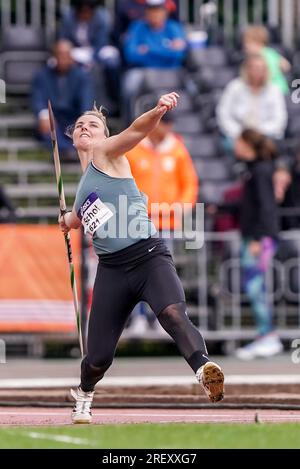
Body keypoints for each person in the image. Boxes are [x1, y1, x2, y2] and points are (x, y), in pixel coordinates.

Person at [58, 92, 225, 424]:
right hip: (113, 271)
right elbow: (77, 217)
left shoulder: (107, 153)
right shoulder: (82, 187)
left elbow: (136, 130)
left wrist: (158, 111)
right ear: (72, 137)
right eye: (79, 125)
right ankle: (85, 393)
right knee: (98, 358)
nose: (85, 127)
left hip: (148, 256)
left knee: (173, 313)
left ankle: (204, 368)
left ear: (105, 135)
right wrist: (66, 220)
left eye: (93, 123)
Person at [126, 109, 198, 333]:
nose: (166, 128)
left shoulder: (176, 150)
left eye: (168, 123)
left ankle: (160, 318)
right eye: (162, 123)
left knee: (162, 274)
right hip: (138, 220)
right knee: (137, 271)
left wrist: (180, 208)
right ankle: (138, 317)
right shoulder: (135, 148)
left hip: (167, 223)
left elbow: (189, 183)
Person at [234, 129, 283, 360]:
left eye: (238, 142)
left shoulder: (261, 170)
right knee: (255, 286)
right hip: (255, 235)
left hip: (260, 238)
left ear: (247, 144)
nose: (235, 146)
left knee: (256, 287)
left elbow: (266, 207)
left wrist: (257, 238)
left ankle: (268, 336)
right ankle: (265, 334)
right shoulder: (252, 170)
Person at [122, 0, 187, 124]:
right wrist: (166, 49)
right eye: (151, 10)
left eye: (158, 10)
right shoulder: (137, 27)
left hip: (171, 71)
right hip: (144, 70)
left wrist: (148, 49)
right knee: (130, 83)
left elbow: (179, 54)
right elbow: (130, 55)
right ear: (146, 12)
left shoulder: (173, 27)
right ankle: (129, 124)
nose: (155, 14)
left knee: (190, 84)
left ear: (165, 12)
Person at [31, 39, 94, 161]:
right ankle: (67, 151)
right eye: (60, 54)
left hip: (74, 118)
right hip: (53, 117)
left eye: (66, 54)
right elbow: (38, 98)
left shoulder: (82, 76)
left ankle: (68, 152)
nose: (63, 58)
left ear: (71, 56)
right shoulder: (42, 76)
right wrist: (44, 115)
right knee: (46, 123)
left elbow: (86, 102)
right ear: (54, 56)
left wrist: (82, 120)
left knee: (87, 124)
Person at [58, 0, 120, 113]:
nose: (84, 14)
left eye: (87, 11)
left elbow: (101, 42)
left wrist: (91, 61)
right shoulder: (68, 17)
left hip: (98, 49)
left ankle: (114, 98)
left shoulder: (102, 17)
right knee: (58, 61)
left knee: (111, 62)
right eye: (81, 11)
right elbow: (64, 39)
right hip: (77, 50)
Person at [216, 54, 287, 147]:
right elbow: (223, 114)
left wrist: (259, 134)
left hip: (266, 136)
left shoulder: (274, 90)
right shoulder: (234, 87)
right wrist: (240, 133)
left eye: (261, 68)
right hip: (238, 136)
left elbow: (279, 119)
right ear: (247, 69)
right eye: (255, 68)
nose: (258, 71)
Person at [242, 25, 291, 95]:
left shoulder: (266, 55)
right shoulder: (270, 52)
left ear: (258, 42)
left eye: (248, 42)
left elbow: (272, 74)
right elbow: (286, 65)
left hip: (278, 92)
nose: (245, 46)